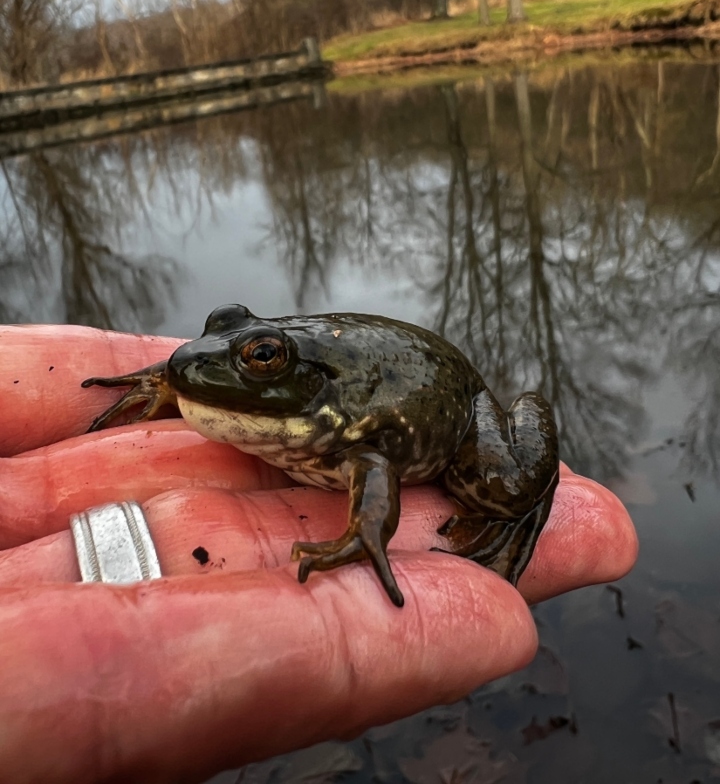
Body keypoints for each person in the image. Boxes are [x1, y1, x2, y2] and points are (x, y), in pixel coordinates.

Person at [0, 324, 638, 784]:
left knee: (501, 486)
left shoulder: (345, 429)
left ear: (295, 367)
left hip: (461, 409)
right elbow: (194, 362)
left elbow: (371, 460)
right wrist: (170, 380)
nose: (199, 355)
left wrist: (364, 534)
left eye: (262, 355)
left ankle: (523, 513)